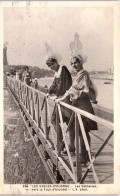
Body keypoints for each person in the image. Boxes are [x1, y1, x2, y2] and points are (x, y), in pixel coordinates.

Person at [56, 54, 98, 164]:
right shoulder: (80, 74)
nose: (74, 65)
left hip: (83, 106)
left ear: (81, 62)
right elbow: (75, 89)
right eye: (72, 63)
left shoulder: (83, 74)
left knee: (82, 131)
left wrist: (62, 98)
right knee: (82, 132)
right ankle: (85, 156)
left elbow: (74, 89)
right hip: (79, 105)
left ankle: (83, 158)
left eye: (76, 62)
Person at [46, 54, 72, 151]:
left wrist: (56, 94)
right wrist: (49, 92)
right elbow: (54, 83)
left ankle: (71, 146)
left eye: (52, 64)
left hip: (67, 99)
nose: (51, 67)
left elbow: (64, 84)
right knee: (54, 119)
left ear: (56, 62)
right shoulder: (56, 72)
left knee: (70, 123)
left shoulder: (63, 69)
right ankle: (61, 143)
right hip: (60, 100)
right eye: (49, 66)